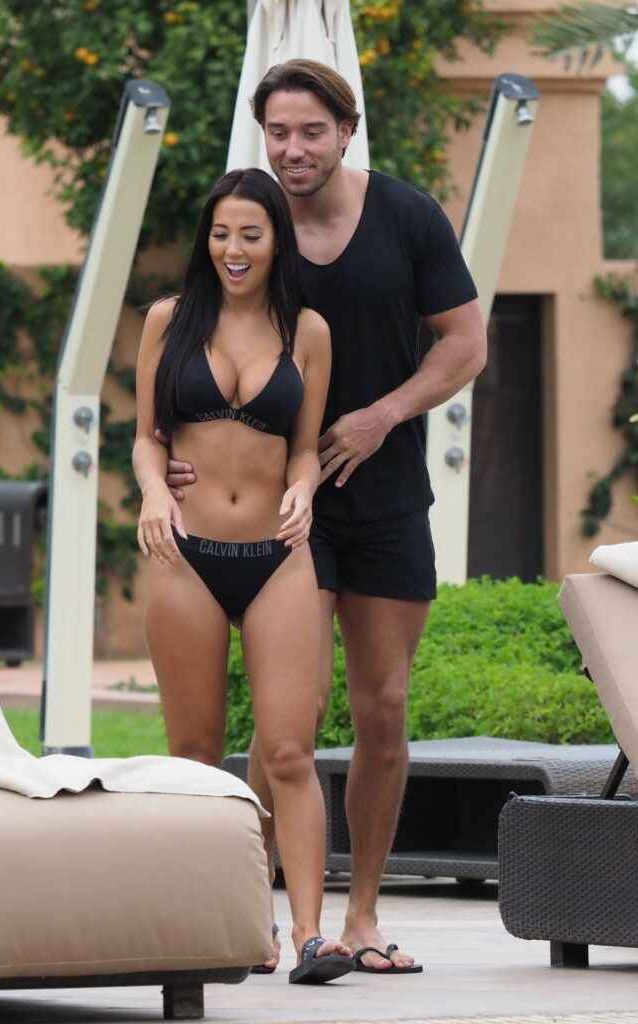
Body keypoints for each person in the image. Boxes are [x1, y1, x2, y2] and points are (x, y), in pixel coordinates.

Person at [166, 60, 487, 975]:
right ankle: (258, 915)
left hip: (384, 498)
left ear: (347, 131)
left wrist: (384, 414)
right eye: (278, 131)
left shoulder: (408, 217)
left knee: (383, 708)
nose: (294, 148)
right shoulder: (250, 225)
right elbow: (197, 339)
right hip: (283, 513)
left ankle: (363, 917)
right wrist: (183, 449)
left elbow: (466, 343)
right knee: (289, 723)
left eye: (311, 131)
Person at [133, 167, 355, 985]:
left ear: (275, 243)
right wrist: (154, 491)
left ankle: (309, 937)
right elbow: (147, 436)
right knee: (195, 753)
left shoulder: (308, 331)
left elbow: (304, 446)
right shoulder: (169, 321)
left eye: (250, 235)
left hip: (278, 553)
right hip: (183, 553)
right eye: (221, 233)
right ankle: (223, 925)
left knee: (289, 750)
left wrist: (304, 487)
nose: (233, 249)